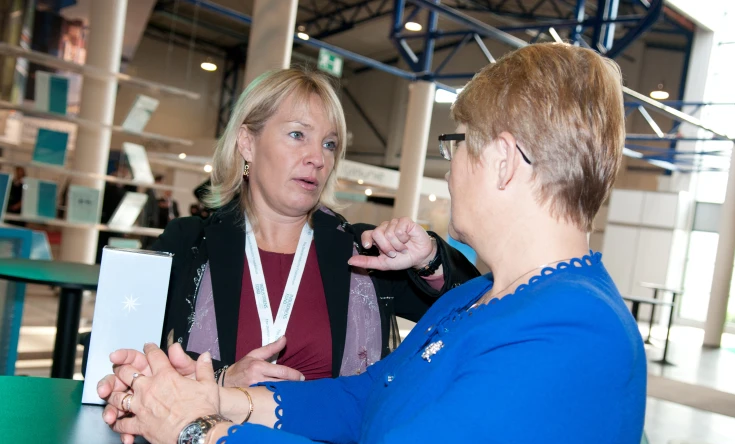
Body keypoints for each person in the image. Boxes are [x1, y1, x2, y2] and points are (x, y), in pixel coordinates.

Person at [100, 44, 646, 444]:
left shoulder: (573, 336)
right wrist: (218, 395)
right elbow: (365, 398)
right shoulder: (475, 301)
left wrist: (193, 429)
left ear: (502, 160)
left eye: (458, 145)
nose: (450, 168)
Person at [95, 67, 477, 386]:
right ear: (247, 142)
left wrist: (429, 260)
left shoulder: (363, 253)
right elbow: (114, 362)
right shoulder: (189, 244)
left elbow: (477, 314)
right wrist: (222, 380)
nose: (317, 158)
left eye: (329, 144)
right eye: (298, 135)